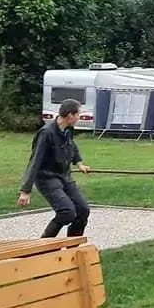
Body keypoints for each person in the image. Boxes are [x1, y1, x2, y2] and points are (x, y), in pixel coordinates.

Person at [18, 98, 93, 237]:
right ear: (70, 115)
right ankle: (44, 245)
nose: (79, 117)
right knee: (67, 212)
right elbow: (35, 161)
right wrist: (25, 190)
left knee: (83, 210)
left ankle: (73, 246)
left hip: (64, 176)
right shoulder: (46, 133)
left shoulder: (68, 129)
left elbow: (71, 145)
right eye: (78, 114)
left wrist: (79, 163)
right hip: (47, 178)